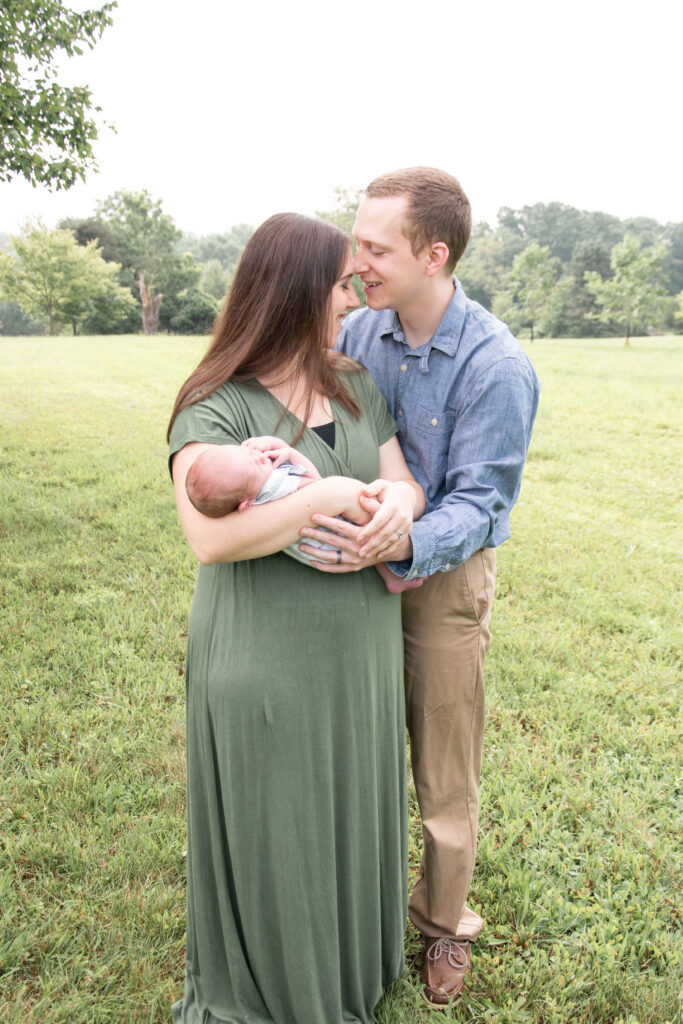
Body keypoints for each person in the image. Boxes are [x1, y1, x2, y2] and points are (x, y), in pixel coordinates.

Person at [167, 211, 425, 1024]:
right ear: (294, 291)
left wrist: (398, 511)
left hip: (358, 651)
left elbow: (403, 479)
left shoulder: (350, 379)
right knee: (278, 826)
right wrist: (318, 497)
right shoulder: (213, 405)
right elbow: (208, 540)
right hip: (264, 656)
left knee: (348, 804)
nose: (353, 295)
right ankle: (277, 991)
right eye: (341, 282)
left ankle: (351, 966)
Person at [298, 168, 541, 1009]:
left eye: (374, 246)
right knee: (353, 751)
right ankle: (350, 909)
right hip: (351, 573)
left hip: (440, 580)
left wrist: (400, 537)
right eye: (354, 241)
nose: (355, 259)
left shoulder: (495, 363)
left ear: (433, 255)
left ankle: (443, 928)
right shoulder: (358, 331)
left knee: (442, 769)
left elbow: (482, 501)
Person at [185, 437, 424, 593]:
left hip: (311, 546)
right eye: (255, 465)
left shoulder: (253, 494)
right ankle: (394, 573)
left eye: (247, 453)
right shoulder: (275, 486)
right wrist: (289, 452)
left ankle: (389, 573)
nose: (259, 457)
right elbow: (316, 483)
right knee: (367, 522)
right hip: (327, 537)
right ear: (245, 503)